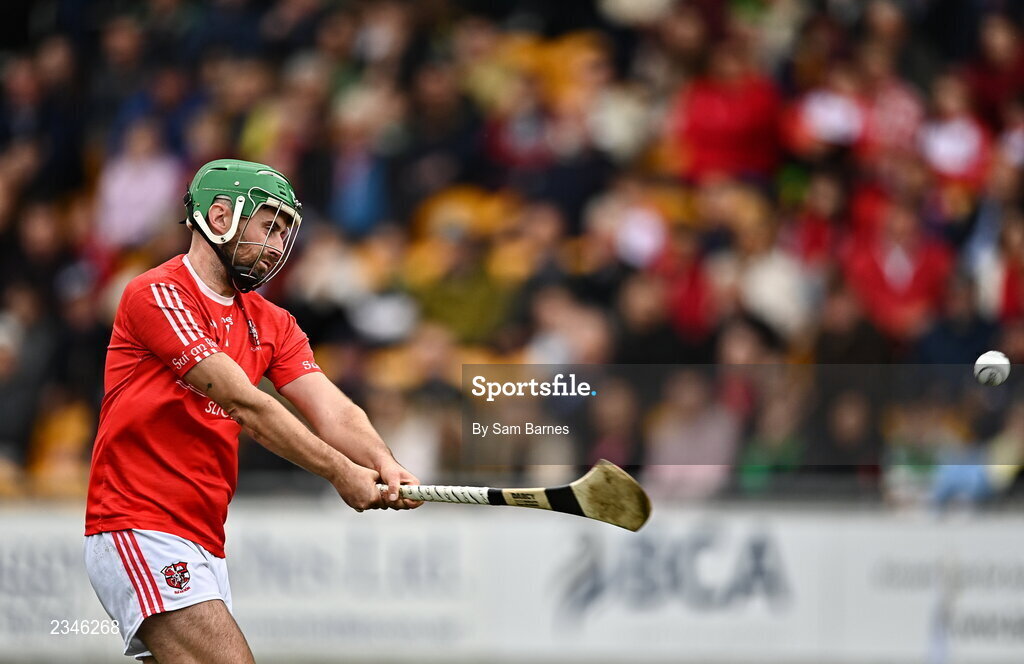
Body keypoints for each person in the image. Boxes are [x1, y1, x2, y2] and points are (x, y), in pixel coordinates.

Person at [83, 159, 422, 663]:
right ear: (220, 216)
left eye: (286, 232)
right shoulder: (157, 294)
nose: (279, 245)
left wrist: (382, 460)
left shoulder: (273, 321)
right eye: (269, 226)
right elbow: (246, 404)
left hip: (202, 536)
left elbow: (332, 410)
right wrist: (340, 472)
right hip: (140, 522)